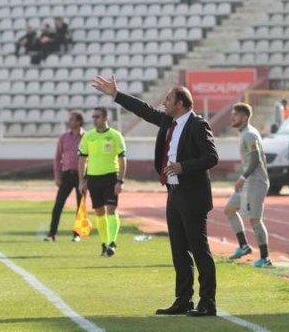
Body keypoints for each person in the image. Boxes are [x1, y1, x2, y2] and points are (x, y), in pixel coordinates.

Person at [93, 75, 219, 317]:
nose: (164, 102)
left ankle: (208, 302)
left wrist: (184, 166)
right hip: (173, 192)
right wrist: (117, 95)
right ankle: (183, 299)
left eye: (169, 99)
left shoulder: (197, 124)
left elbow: (212, 157)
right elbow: (144, 110)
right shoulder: (168, 123)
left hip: (192, 195)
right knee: (178, 249)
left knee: (199, 249)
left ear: (180, 104)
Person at [225, 103, 273, 268]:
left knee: (255, 220)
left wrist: (242, 177)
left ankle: (265, 257)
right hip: (248, 183)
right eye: (232, 114)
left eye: (235, 115)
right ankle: (244, 246)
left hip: (256, 182)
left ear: (244, 117)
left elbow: (255, 159)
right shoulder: (245, 133)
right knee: (229, 210)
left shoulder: (249, 135)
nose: (232, 117)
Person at [78, 106, 126, 258]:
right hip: (93, 178)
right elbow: (82, 160)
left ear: (106, 118)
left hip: (111, 177)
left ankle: (112, 242)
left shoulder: (115, 135)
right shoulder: (88, 136)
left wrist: (120, 181)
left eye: (97, 116)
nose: (94, 119)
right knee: (99, 211)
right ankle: (105, 244)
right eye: (93, 117)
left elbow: (122, 159)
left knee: (111, 209)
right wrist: (82, 180)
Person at [44, 111, 85, 243]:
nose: (69, 122)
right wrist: (57, 176)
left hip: (82, 175)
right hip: (66, 174)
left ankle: (77, 234)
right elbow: (57, 158)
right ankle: (52, 233)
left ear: (79, 122)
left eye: (72, 119)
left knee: (80, 206)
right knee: (58, 205)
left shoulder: (87, 137)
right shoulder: (63, 138)